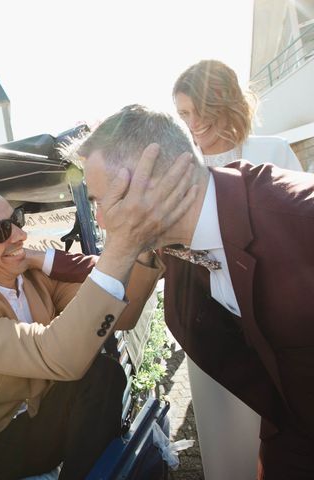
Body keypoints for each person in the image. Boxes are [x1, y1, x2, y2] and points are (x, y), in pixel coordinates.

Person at [64, 104, 314, 479]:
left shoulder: (301, 221)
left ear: (150, 181)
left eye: (101, 200)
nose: (98, 219)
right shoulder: (174, 244)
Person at [0, 149, 197, 480]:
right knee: (91, 371)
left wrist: (143, 251)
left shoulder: (31, 278)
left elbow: (118, 315)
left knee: (104, 374)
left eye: (17, 219)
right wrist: (121, 245)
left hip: (39, 420)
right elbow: (55, 354)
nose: (20, 235)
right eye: (0, 231)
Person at [173, 58, 306, 479]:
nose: (189, 125)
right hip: (213, 321)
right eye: (181, 116)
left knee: (287, 419)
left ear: (219, 103)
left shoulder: (275, 151)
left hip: (275, 314)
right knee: (225, 438)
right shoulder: (182, 172)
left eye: (192, 111)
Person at [173, 59, 302, 171]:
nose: (193, 123)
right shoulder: (177, 169)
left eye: (202, 109)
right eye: (184, 113)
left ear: (227, 102)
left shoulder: (275, 151)